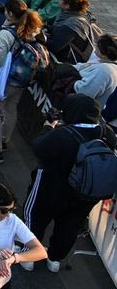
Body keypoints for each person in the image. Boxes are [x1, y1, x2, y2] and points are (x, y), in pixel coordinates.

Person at [23, 93, 117, 272]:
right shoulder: (107, 133)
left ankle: (28, 256)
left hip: (51, 187)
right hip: (85, 193)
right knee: (69, 226)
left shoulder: (63, 134)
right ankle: (55, 259)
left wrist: (47, 127)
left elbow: (39, 147)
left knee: (36, 217)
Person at [0, 0, 47, 163]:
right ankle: (3, 140)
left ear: (9, 13)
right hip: (21, 80)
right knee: (10, 109)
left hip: (5, 79)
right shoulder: (32, 29)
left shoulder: (6, 33)